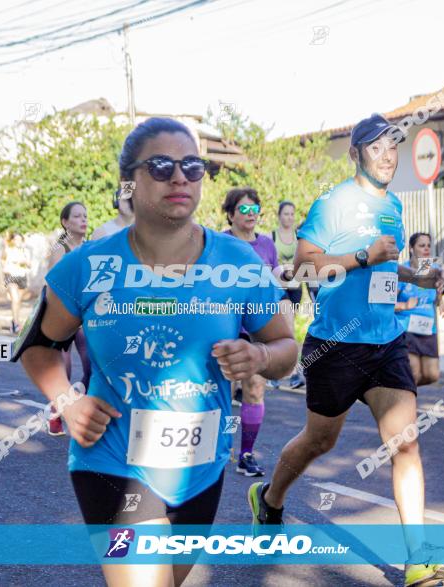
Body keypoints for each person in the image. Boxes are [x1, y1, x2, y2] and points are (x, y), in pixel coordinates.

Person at [16, 117, 295, 587]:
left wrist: (261, 360)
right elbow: (39, 347)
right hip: (113, 461)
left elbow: (286, 347)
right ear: (130, 181)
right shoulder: (88, 265)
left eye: (192, 165)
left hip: (200, 468)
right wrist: (67, 401)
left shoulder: (238, 263)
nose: (180, 177)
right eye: (161, 166)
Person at [247, 114, 444, 587]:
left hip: (386, 342)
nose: (388, 156)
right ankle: (269, 499)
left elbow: (384, 270)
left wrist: (417, 276)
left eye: (393, 147)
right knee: (319, 442)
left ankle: (417, 560)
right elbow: (305, 267)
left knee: (405, 442)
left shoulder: (393, 207)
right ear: (356, 153)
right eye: (377, 147)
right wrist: (363, 255)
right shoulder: (333, 204)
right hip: (335, 345)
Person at [223, 187, 283, 477]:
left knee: (255, 388)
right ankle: (217, 447)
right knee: (219, 389)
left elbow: (272, 281)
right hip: (224, 324)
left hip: (256, 326)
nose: (250, 214)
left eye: (254, 209)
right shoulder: (220, 243)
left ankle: (246, 454)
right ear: (231, 214)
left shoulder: (267, 244)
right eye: (244, 209)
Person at [46, 201, 91, 436]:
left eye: (85, 215)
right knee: (63, 369)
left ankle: (75, 407)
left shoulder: (91, 248)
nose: (83, 219)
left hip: (85, 317)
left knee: (92, 367)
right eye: (77, 216)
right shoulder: (59, 249)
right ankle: (55, 415)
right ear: (65, 222)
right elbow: (52, 283)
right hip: (62, 316)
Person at [395, 232, 444, 386]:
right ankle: (406, 402)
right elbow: (387, 303)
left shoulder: (433, 269)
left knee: (432, 375)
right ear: (411, 249)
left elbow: (438, 294)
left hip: (428, 328)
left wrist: (441, 303)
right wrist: (404, 306)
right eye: (421, 245)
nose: (426, 249)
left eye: (428, 245)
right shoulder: (403, 271)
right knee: (414, 373)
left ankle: (402, 389)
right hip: (406, 328)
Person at [273, 200, 306, 389]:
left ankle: (294, 374)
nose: (289, 217)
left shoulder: (299, 237)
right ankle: (275, 372)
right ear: (279, 216)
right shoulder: (272, 237)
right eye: (286, 213)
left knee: (290, 329)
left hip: (294, 287)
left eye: (292, 214)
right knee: (278, 330)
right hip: (278, 287)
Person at [3, 233, 32, 334]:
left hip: (22, 277)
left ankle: (14, 320)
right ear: (13, 241)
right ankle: (16, 323)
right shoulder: (8, 250)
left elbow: (29, 265)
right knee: (15, 299)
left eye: (20, 239)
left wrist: (25, 262)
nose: (18, 241)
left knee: (18, 301)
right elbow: (3, 263)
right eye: (16, 239)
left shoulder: (25, 251)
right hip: (11, 277)